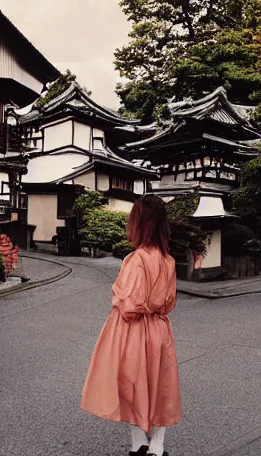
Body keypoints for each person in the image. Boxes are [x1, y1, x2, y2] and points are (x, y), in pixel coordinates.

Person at [80, 195, 181, 456]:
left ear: (140, 222)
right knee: (160, 385)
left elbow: (129, 305)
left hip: (135, 332)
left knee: (131, 385)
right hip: (159, 329)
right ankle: (156, 446)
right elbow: (169, 303)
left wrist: (118, 296)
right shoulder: (168, 260)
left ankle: (139, 444)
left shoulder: (136, 260)